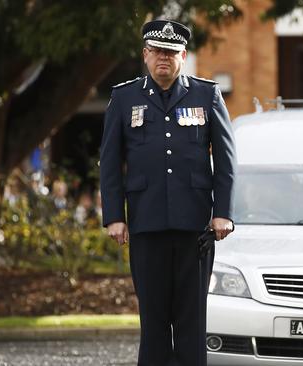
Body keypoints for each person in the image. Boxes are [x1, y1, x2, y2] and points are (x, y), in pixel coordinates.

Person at [99, 19, 236, 366]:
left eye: (172, 52)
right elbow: (110, 163)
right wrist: (115, 217)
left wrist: (224, 213)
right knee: (154, 321)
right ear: (145, 54)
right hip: (146, 225)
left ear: (184, 55)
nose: (164, 58)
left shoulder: (207, 95)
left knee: (192, 321)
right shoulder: (124, 97)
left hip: (195, 228)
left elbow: (226, 160)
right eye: (158, 51)